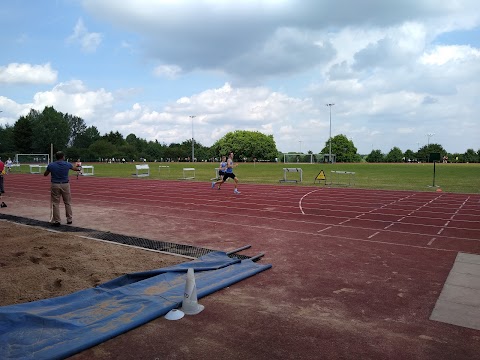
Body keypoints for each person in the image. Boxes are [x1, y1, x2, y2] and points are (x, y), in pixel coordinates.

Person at [44, 151, 81, 226]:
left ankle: (57, 220)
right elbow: (76, 169)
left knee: (55, 203)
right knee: (67, 202)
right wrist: (79, 166)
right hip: (65, 184)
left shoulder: (51, 165)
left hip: (55, 184)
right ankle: (69, 219)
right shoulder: (67, 164)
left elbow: (45, 174)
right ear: (63, 157)